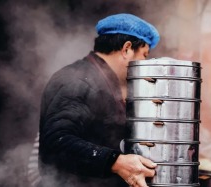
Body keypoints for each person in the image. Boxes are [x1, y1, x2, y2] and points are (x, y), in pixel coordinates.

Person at [38, 13, 160, 187]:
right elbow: (57, 142)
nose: (145, 64)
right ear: (126, 49)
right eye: (144, 55)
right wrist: (116, 162)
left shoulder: (104, 81)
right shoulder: (77, 80)